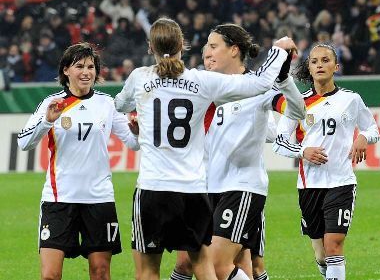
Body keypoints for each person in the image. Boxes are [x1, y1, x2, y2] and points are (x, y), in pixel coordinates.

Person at [114, 17, 297, 280]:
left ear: (149, 47)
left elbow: (120, 105)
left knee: (148, 272)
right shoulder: (201, 81)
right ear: (183, 46)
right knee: (203, 266)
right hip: (193, 189)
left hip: (153, 187)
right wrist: (278, 49)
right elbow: (258, 84)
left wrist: (139, 118)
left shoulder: (139, 78)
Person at [18, 42, 140, 280]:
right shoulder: (52, 103)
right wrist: (47, 121)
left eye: (91, 67)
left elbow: (133, 144)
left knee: (101, 273)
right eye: (79, 66)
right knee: (50, 275)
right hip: (59, 198)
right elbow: (24, 142)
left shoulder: (107, 103)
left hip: (99, 198)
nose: (86, 72)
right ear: (66, 70)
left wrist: (136, 132)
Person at [205, 24, 305, 280]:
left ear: (234, 50)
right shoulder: (211, 89)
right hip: (211, 187)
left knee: (216, 264)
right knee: (242, 263)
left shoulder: (258, 90)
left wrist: (283, 80)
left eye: (214, 46)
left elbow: (296, 112)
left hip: (242, 187)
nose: (208, 51)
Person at [272, 43, 380, 280]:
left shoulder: (351, 99)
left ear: (336, 66)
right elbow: (279, 142)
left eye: (325, 60)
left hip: (341, 182)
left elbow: (372, 128)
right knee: (321, 255)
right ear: (309, 68)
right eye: (314, 61)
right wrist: (303, 151)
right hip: (309, 186)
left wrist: (363, 137)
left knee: (334, 245)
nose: (320, 65)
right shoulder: (297, 103)